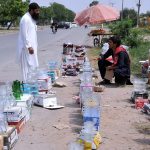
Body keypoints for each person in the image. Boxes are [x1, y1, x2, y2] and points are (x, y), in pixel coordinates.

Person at [17, 3, 40, 82]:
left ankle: (31, 84)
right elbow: (24, 35)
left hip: (32, 48)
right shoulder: (25, 19)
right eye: (36, 11)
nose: (38, 12)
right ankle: (26, 86)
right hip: (26, 49)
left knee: (32, 67)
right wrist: (29, 46)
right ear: (31, 10)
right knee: (26, 69)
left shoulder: (31, 19)